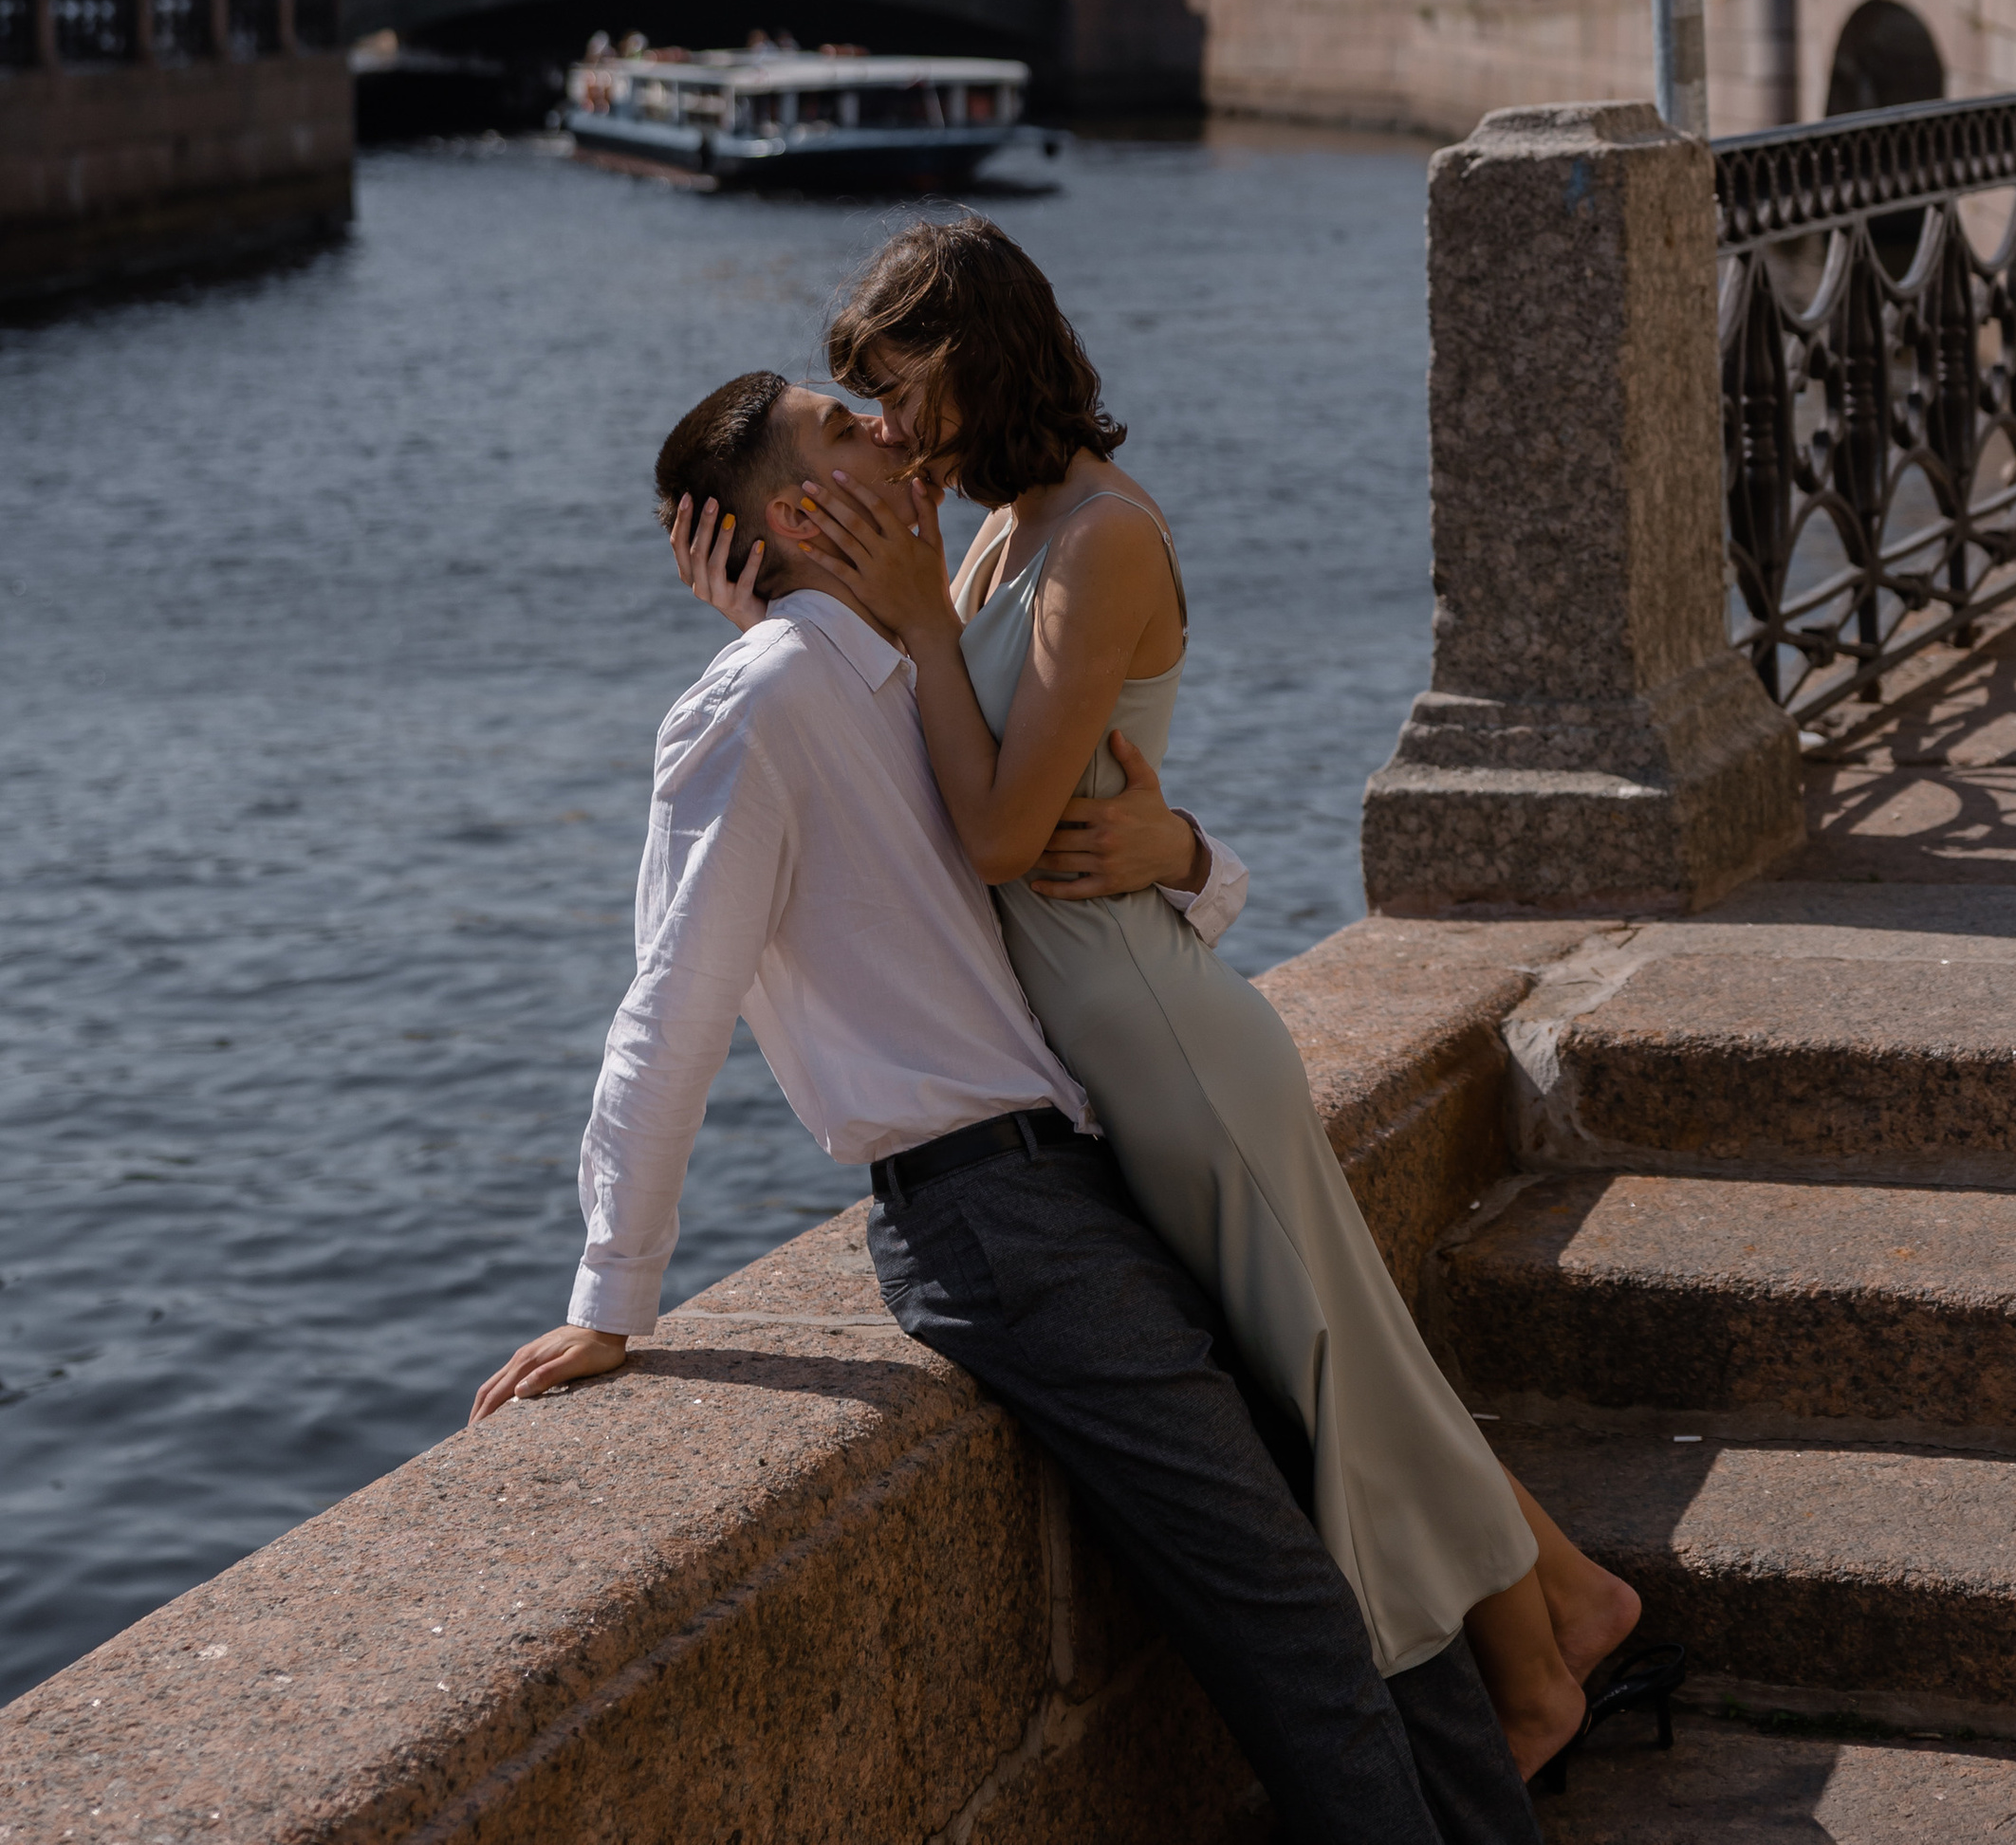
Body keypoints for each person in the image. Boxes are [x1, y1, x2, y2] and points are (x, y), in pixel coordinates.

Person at [472, 375, 1539, 1845]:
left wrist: (1193, 855)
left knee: (1355, 1542)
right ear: (797, 515)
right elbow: (672, 1000)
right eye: (847, 427)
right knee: (1294, 1607)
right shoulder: (761, 704)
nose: (892, 431)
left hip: (1093, 1168)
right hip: (995, 1218)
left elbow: (1115, 899)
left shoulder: (904, 680)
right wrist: (613, 1293)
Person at [683, 219, 1650, 1785]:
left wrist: (940, 635)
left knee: (1334, 1375)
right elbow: (912, 778)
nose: (893, 431)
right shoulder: (997, 538)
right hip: (1099, 1046)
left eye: (904, 390)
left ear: (984, 358)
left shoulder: (1099, 539)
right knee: (1334, 1359)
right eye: (867, 402)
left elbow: (999, 834)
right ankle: (1568, 1614)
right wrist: (774, 618)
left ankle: (1539, 1665)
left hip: (1166, 1051)